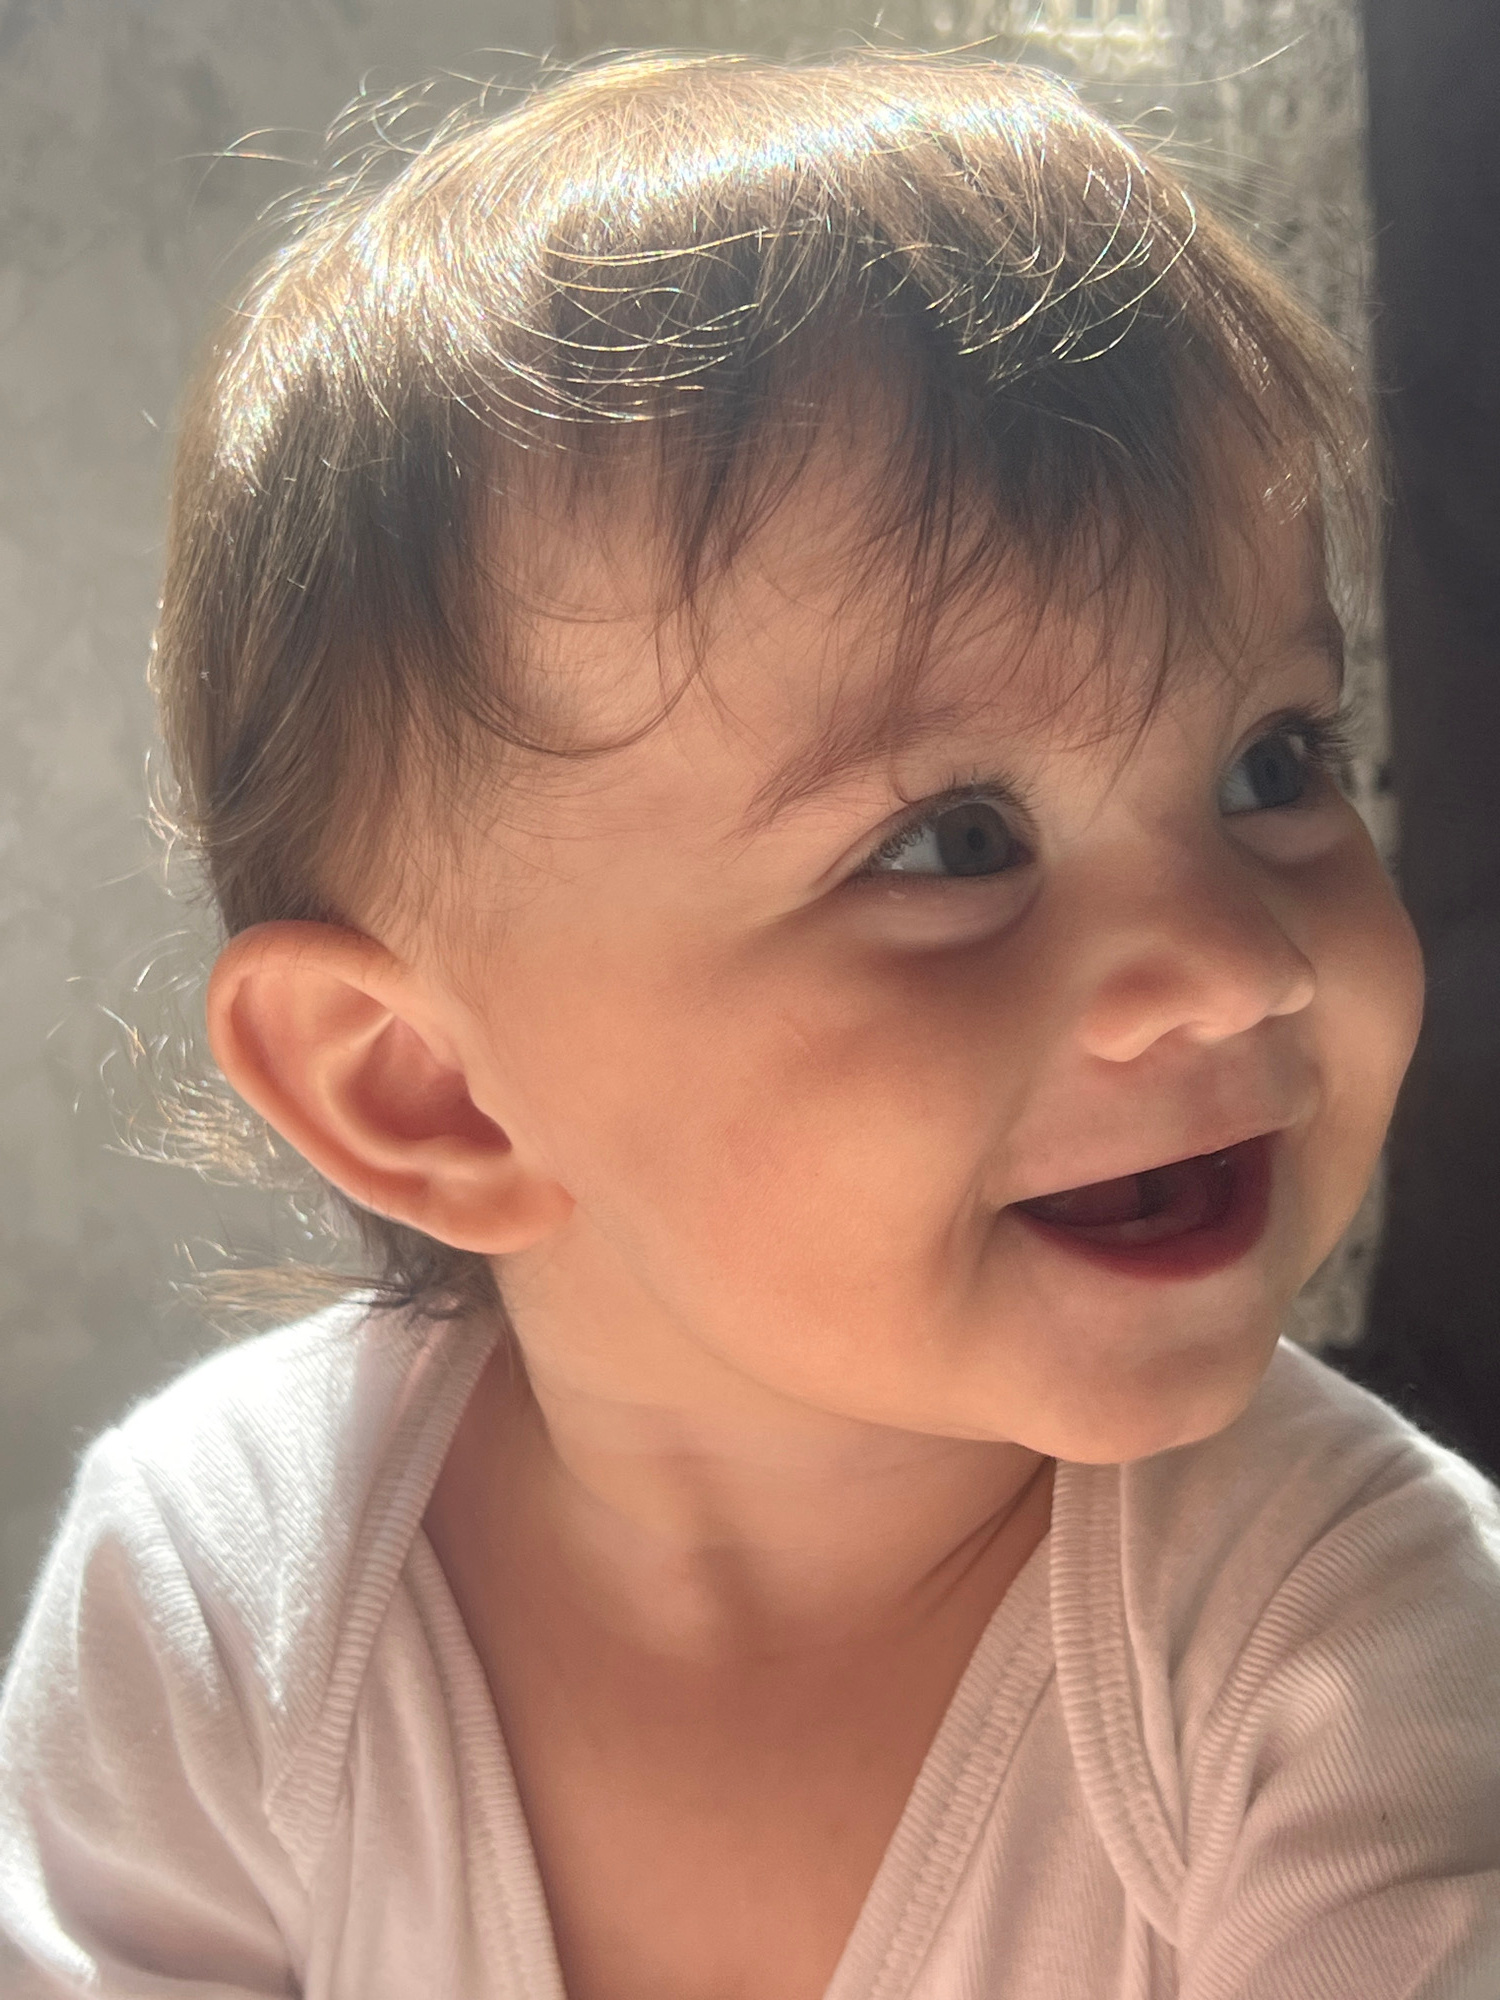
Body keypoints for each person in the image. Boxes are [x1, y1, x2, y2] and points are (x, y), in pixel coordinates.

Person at [1, 50, 1497, 2000]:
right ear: (431, 1089)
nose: (1240, 965)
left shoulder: (1359, 1651)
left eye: (1271, 762)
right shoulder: (221, 1591)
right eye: (952, 842)